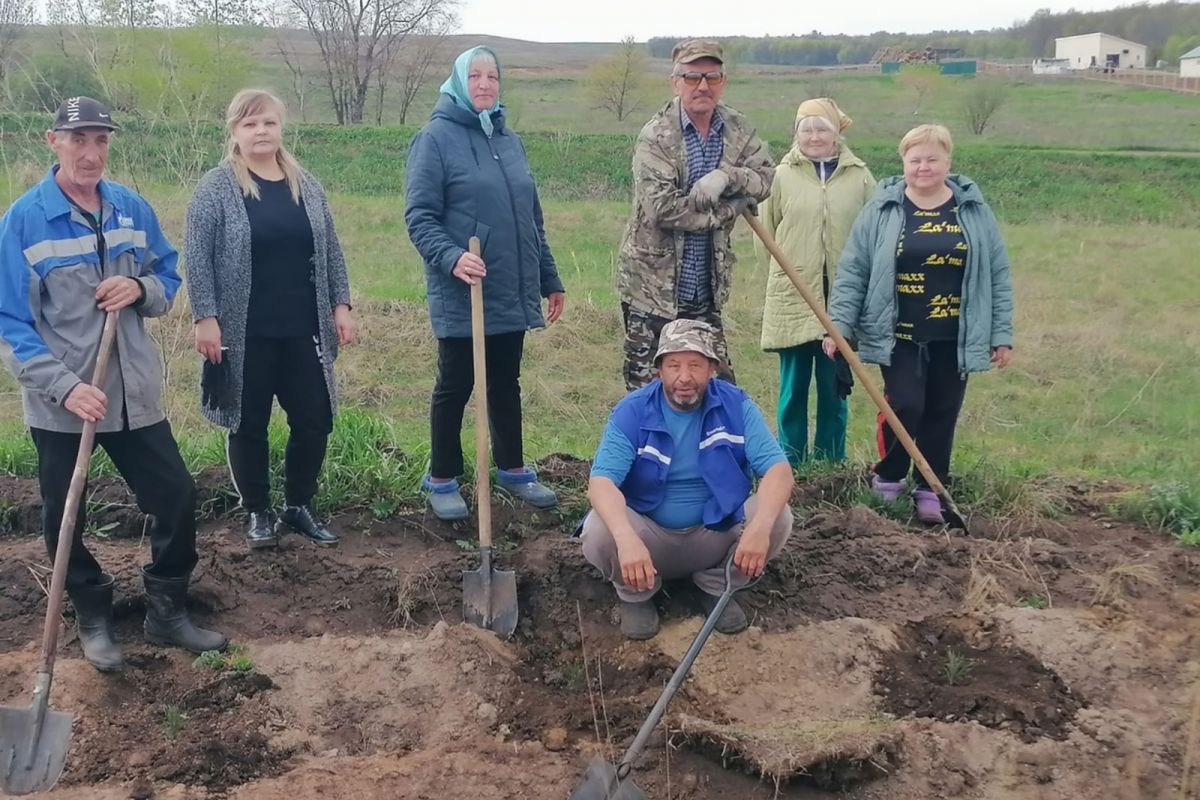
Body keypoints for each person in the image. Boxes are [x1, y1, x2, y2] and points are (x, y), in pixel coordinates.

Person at [0, 96, 227, 672]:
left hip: (133, 392)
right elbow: (10, 324)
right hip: (65, 401)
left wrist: (140, 290)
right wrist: (65, 387)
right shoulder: (24, 221)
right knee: (64, 514)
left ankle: (166, 609)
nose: (91, 152)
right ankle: (92, 613)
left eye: (101, 140)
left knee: (175, 494)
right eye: (79, 140)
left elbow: (167, 272)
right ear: (53, 142)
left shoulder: (129, 208)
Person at [185, 89, 355, 550]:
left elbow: (330, 248)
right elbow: (197, 257)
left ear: (281, 128)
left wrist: (340, 304)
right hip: (245, 332)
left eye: (268, 123)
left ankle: (299, 505)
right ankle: (257, 511)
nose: (260, 132)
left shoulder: (306, 183)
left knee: (315, 418)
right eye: (249, 124)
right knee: (247, 421)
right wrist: (206, 317)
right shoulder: (217, 187)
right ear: (234, 132)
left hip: (304, 327)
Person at [405, 46, 565, 521]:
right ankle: (442, 476)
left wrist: (549, 277)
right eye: (474, 75)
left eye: (492, 76)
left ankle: (512, 469)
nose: (484, 84)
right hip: (465, 289)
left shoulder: (508, 139)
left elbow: (530, 221)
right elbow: (419, 216)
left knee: (505, 382)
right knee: (455, 384)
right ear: (457, 81)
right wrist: (452, 257)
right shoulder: (434, 138)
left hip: (510, 288)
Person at [823, 124, 1014, 523]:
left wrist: (1001, 335)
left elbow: (997, 274)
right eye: (915, 160)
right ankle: (890, 477)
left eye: (932, 159)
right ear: (903, 163)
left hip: (956, 335)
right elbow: (853, 269)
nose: (923, 167)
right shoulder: (883, 209)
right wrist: (839, 325)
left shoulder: (973, 211)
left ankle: (931, 487)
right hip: (899, 335)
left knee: (943, 410)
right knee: (906, 405)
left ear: (948, 161)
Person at [581, 319, 794, 640]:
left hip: (715, 532)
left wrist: (760, 528)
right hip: (647, 541)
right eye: (673, 365)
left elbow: (779, 471)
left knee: (779, 515)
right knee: (598, 529)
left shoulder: (737, 406)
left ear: (712, 368)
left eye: (695, 365)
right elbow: (601, 483)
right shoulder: (633, 411)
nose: (684, 377)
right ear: (659, 371)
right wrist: (626, 538)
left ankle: (717, 584)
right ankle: (636, 592)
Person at [616, 39, 774, 391]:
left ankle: (711, 448)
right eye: (692, 77)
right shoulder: (656, 136)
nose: (702, 86)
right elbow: (664, 209)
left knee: (718, 391)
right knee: (649, 393)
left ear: (723, 80)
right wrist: (731, 207)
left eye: (711, 76)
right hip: (652, 290)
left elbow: (765, 177)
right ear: (676, 82)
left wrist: (727, 177)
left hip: (705, 290)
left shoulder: (737, 128)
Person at [756, 98, 875, 465]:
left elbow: (872, 235)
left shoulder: (860, 178)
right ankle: (789, 462)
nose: (814, 136)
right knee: (792, 389)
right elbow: (766, 237)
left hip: (840, 300)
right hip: (794, 296)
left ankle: (829, 464)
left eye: (821, 127)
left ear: (837, 131)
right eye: (806, 128)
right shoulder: (781, 176)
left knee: (833, 388)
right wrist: (779, 280)